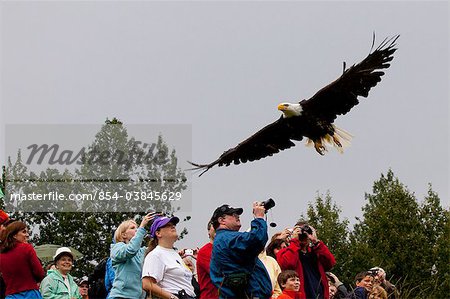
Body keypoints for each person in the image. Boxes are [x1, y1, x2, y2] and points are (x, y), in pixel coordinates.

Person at [209, 203, 272, 299]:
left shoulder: (224, 238)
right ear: (221, 220)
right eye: (233, 214)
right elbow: (257, 240)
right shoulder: (226, 238)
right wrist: (259, 218)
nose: (237, 216)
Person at [277, 222, 336, 299]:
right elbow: (289, 264)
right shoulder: (286, 251)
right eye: (299, 232)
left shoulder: (316, 251)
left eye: (306, 233)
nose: (303, 235)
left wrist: (316, 242)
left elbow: (330, 263)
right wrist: (294, 241)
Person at [142, 216, 196, 299]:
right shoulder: (156, 254)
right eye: (167, 225)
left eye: (173, 224)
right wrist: (172, 297)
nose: (173, 226)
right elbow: (147, 283)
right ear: (158, 233)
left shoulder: (176, 255)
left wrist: (190, 271)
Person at [109, 213, 156, 299]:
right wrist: (142, 227)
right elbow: (130, 250)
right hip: (121, 296)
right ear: (123, 235)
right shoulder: (117, 248)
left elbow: (155, 252)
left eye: (137, 228)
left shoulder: (141, 251)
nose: (136, 230)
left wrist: (156, 234)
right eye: (132, 228)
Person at [0, 221, 45, 299]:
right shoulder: (27, 248)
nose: (27, 235)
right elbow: (40, 273)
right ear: (14, 235)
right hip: (30, 293)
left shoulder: (1, 254)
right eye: (24, 232)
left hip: (11, 295)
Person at [196, 221, 218, 299]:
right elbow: (219, 272)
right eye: (214, 225)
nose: (217, 227)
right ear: (209, 231)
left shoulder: (228, 249)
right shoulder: (204, 251)